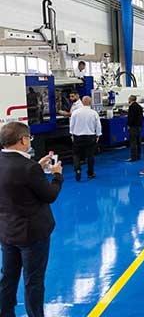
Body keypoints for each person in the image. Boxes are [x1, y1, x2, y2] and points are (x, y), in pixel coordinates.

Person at [0, 122, 63, 317]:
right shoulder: (29, 168)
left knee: (8, 277)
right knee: (33, 281)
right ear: (23, 140)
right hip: (32, 235)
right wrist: (57, 176)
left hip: (7, 231)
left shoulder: (15, 164)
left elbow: (13, 181)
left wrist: (37, 167)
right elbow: (50, 195)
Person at [69, 96, 101, 181]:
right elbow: (98, 126)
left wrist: (72, 134)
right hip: (90, 137)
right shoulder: (94, 113)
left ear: (82, 102)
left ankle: (78, 170)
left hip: (78, 137)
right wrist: (98, 135)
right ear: (90, 103)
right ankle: (90, 173)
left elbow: (71, 125)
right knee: (90, 155)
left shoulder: (75, 112)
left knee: (76, 154)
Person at [126, 95, 143, 162]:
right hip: (139, 126)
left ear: (130, 99)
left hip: (133, 127)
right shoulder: (139, 107)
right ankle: (138, 155)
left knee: (133, 142)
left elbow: (131, 117)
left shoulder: (131, 107)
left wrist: (128, 125)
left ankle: (133, 157)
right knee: (138, 142)